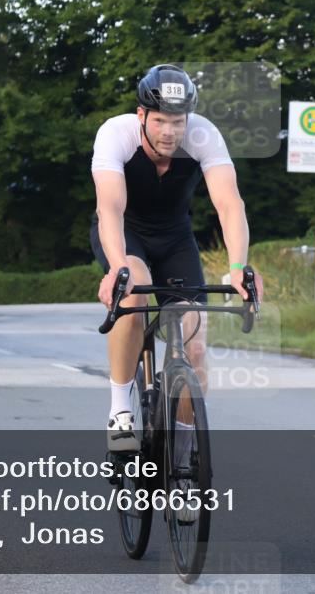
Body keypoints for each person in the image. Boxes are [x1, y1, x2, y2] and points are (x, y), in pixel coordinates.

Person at [90, 64, 263, 453]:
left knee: (196, 343)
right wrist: (118, 265)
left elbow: (229, 204)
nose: (170, 131)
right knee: (132, 294)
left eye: (178, 121)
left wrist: (238, 268)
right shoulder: (115, 134)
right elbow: (111, 208)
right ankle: (120, 412)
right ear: (142, 115)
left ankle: (184, 457)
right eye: (161, 121)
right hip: (126, 232)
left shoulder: (204, 135)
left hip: (175, 237)